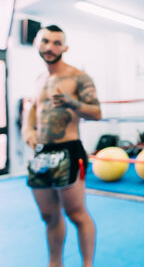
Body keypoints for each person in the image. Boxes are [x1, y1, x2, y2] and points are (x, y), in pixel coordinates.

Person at [22, 25, 101, 267]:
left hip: (68, 150)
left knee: (76, 214)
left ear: (65, 48)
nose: (50, 47)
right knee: (49, 216)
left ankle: (87, 265)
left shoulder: (78, 77)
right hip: (41, 153)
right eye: (45, 41)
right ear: (38, 44)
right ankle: (54, 264)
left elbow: (96, 112)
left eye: (57, 43)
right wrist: (28, 130)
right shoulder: (39, 79)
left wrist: (71, 103)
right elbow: (32, 111)